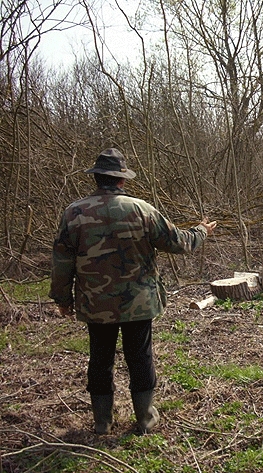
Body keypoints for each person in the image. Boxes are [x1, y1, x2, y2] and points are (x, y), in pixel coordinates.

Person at [49, 148, 217, 435]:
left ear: (97, 178)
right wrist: (201, 231)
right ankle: (145, 419)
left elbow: (62, 261)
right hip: (138, 302)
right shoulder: (142, 210)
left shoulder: (74, 213)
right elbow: (179, 243)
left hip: (96, 302)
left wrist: (63, 299)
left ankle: (102, 422)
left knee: (99, 359)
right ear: (122, 180)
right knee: (140, 357)